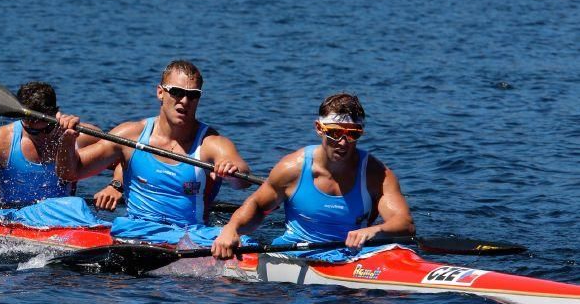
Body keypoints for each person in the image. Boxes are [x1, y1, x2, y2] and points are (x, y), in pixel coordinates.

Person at [56, 60, 253, 246]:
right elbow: (71, 173)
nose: (184, 101)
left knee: (241, 241)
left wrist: (231, 171)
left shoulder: (210, 143)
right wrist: (67, 140)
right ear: (160, 92)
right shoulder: (130, 135)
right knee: (56, 209)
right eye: (176, 92)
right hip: (136, 231)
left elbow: (243, 179)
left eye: (193, 95)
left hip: (188, 236)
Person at [211, 93, 414, 261]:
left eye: (352, 134)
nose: (343, 142)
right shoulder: (292, 168)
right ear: (319, 128)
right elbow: (257, 206)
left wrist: (375, 231)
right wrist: (231, 229)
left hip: (354, 256)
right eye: (335, 133)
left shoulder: (377, 174)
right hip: (297, 252)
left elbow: (405, 223)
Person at [0, 81, 112, 227]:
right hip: (15, 217)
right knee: (75, 205)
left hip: (63, 217)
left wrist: (115, 186)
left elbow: (123, 156)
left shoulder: (80, 135)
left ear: (56, 113)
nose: (41, 136)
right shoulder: (1, 139)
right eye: (32, 130)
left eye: (47, 128)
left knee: (75, 205)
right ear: (21, 118)